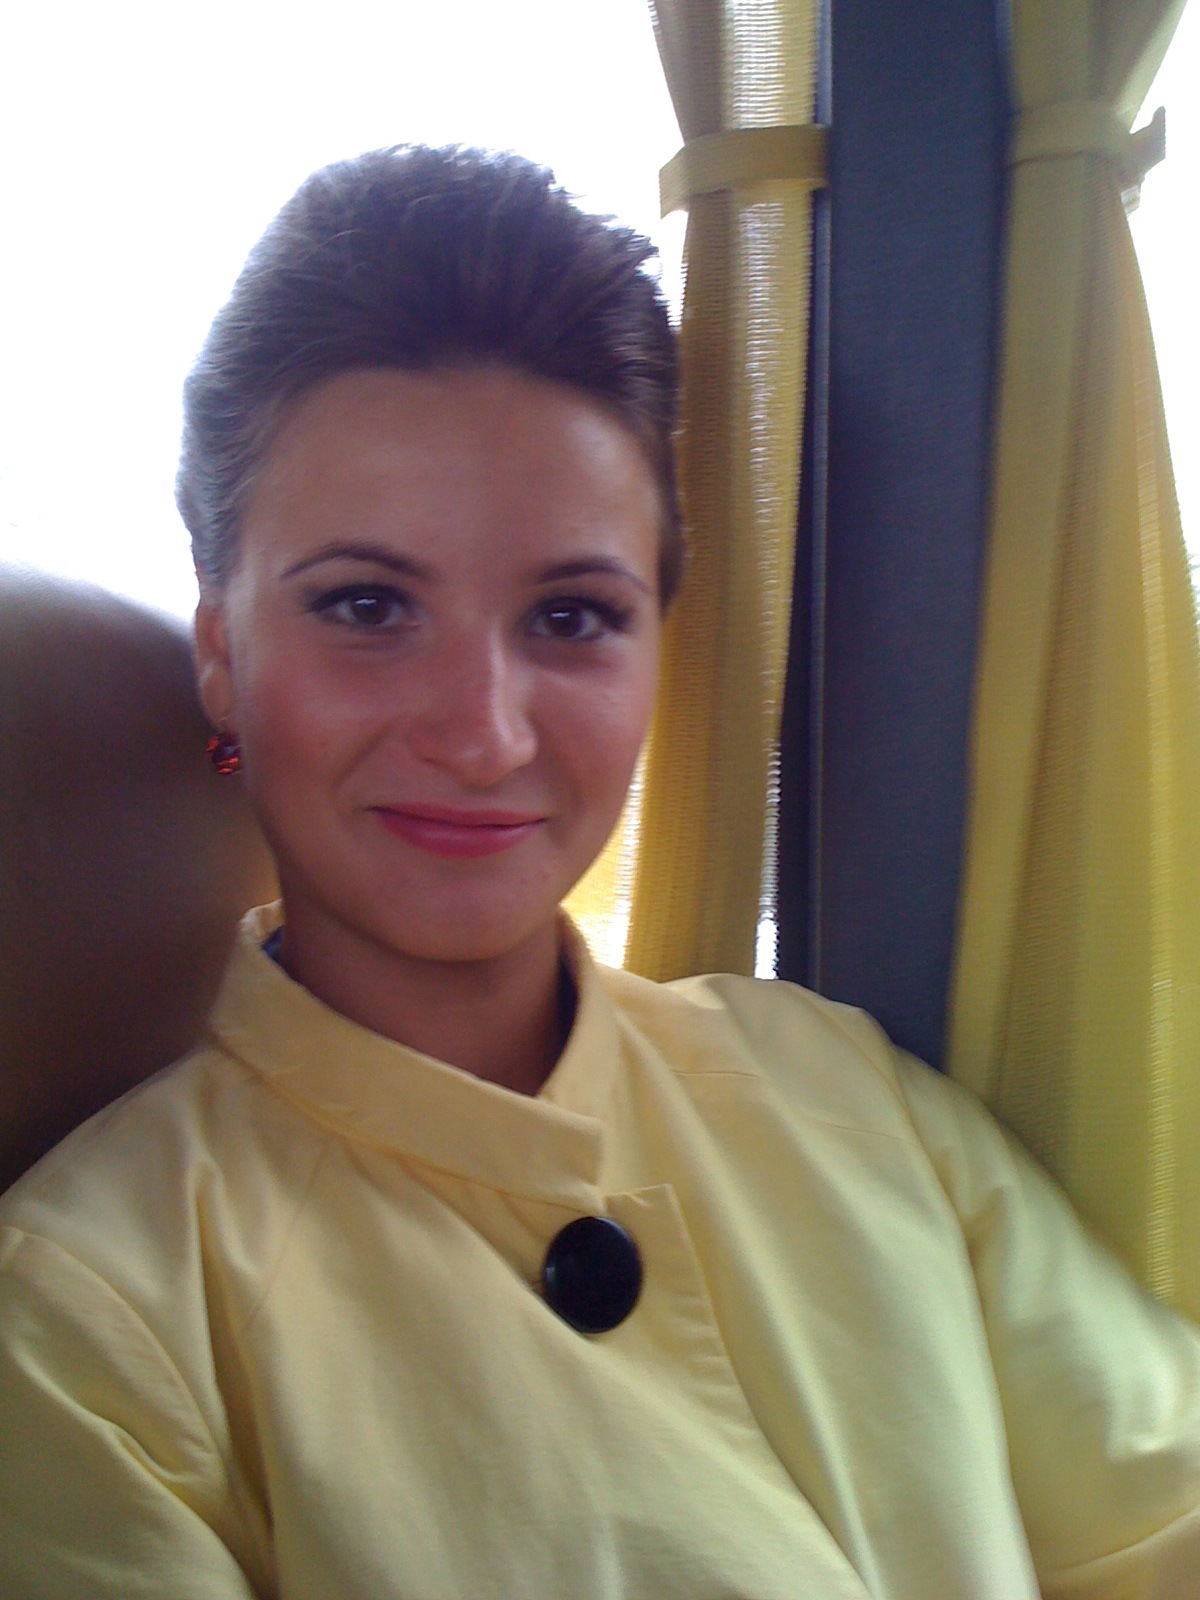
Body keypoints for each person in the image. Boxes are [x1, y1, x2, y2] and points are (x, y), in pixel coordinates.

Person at [1, 145, 1199, 1600]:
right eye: (366, 606)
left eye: (571, 617)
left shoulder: (847, 1096)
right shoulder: (89, 1325)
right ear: (220, 652)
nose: (483, 735)